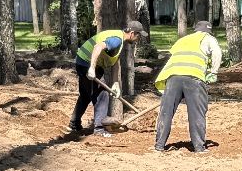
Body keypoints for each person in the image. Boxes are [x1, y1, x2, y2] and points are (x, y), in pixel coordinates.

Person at [154, 20, 222, 153]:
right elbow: (217, 53)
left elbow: (171, 57)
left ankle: (159, 145)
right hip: (194, 78)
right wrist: (214, 72)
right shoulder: (208, 38)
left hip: (173, 77)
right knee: (197, 113)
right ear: (208, 31)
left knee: (166, 112)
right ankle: (199, 147)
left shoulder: (183, 40)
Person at [71, 22, 145, 138]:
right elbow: (98, 47)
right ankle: (99, 129)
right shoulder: (117, 40)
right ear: (132, 34)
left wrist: (115, 83)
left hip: (83, 61)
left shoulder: (119, 40)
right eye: (138, 36)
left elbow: (115, 63)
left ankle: (74, 123)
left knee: (85, 95)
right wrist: (91, 68)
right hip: (87, 63)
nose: (138, 39)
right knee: (102, 95)